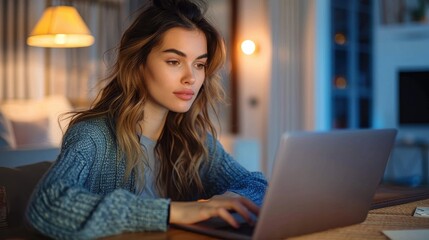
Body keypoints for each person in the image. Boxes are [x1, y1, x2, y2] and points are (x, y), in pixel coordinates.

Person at [25, 0, 267, 239]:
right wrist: (171, 212)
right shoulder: (94, 135)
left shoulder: (195, 140)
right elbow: (47, 203)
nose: (191, 78)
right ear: (138, 64)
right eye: (174, 61)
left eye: (199, 64)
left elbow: (258, 185)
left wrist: (232, 197)